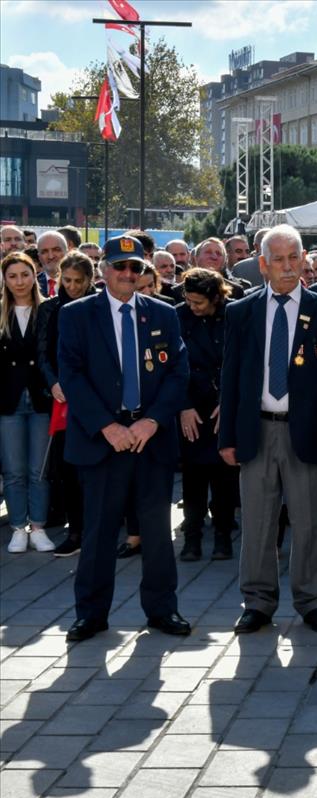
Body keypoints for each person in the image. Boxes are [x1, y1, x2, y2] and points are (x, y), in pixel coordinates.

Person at [57, 235, 191, 641]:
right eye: (120, 266)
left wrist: (151, 422)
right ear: (104, 270)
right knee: (98, 531)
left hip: (150, 438)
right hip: (104, 439)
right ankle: (91, 614)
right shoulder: (77, 315)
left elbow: (178, 372)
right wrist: (107, 427)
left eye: (136, 268)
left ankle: (162, 610)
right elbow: (72, 375)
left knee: (156, 532)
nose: (128, 274)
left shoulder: (164, 314)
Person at [218, 224, 317, 636]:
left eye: (295, 258)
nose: (288, 268)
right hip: (257, 430)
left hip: (305, 433)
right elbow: (232, 376)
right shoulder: (242, 311)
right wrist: (227, 438)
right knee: (257, 522)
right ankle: (257, 601)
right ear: (263, 265)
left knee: (308, 521)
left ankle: (312, 601)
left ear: (305, 260)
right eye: (279, 260)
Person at [37, 252, 98, 557]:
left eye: (79, 281)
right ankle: (75, 531)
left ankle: (99, 529)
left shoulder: (99, 305)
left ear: (90, 279)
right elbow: (43, 352)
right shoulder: (50, 309)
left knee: (99, 469)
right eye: (67, 280)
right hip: (63, 399)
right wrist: (53, 383)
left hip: (97, 397)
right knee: (69, 468)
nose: (73, 287)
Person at [176, 269, 237, 562]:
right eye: (188, 300)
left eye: (198, 302)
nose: (193, 307)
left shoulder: (233, 315)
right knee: (193, 476)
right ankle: (193, 536)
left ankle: (223, 535)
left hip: (223, 404)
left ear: (215, 297)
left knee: (224, 475)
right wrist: (183, 405)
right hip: (191, 406)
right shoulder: (179, 316)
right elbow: (173, 367)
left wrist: (228, 401)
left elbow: (241, 362)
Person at [2, 252, 54, 552]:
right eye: (12, 276)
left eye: (25, 274)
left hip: (41, 399)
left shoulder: (48, 309)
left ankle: (38, 526)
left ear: (34, 275)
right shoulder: (0, 312)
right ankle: (18, 527)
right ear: (5, 280)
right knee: (13, 470)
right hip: (7, 401)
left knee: (39, 469)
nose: (19, 281)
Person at [36, 231, 67, 296]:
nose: (51, 256)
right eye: (44, 251)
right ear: (39, 257)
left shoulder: (77, 283)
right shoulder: (33, 284)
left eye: (56, 249)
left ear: (67, 252)